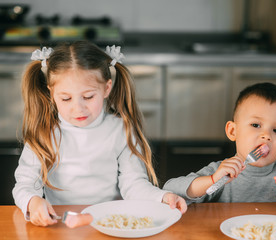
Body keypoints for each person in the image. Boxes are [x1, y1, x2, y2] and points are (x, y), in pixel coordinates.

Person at [12, 41, 187, 227]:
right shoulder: (44, 134)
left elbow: (134, 184)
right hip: (61, 224)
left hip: (110, 224)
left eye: (88, 97)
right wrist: (32, 201)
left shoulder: (121, 130)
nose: (78, 108)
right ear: (52, 93)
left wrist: (161, 197)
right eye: (66, 98)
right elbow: (25, 184)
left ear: (106, 88)